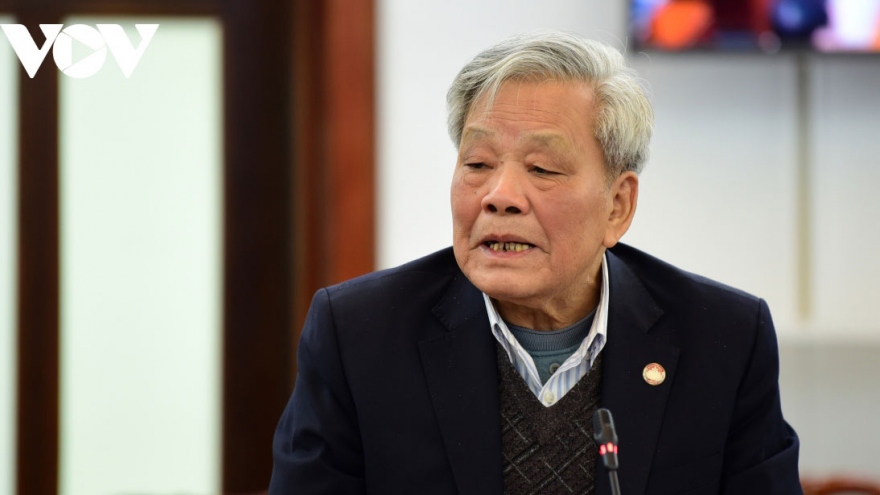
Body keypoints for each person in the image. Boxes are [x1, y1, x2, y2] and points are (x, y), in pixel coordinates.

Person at [269, 31, 802, 495]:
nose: (499, 196)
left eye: (542, 169)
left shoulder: (723, 339)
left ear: (617, 206)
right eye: (478, 163)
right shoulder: (358, 335)